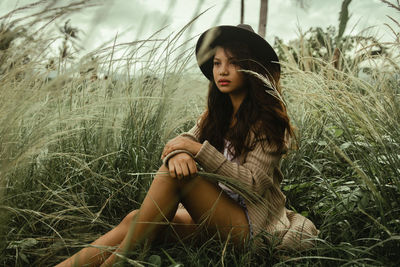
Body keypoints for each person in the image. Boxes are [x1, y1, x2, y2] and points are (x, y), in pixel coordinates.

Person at [56, 24, 318, 267]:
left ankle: (117, 264)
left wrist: (196, 152)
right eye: (217, 63)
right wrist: (180, 153)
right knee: (135, 219)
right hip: (215, 216)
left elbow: (253, 185)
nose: (222, 71)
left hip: (251, 230)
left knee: (176, 178)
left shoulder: (268, 121)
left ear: (253, 68)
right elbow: (182, 141)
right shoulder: (217, 114)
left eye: (234, 63)